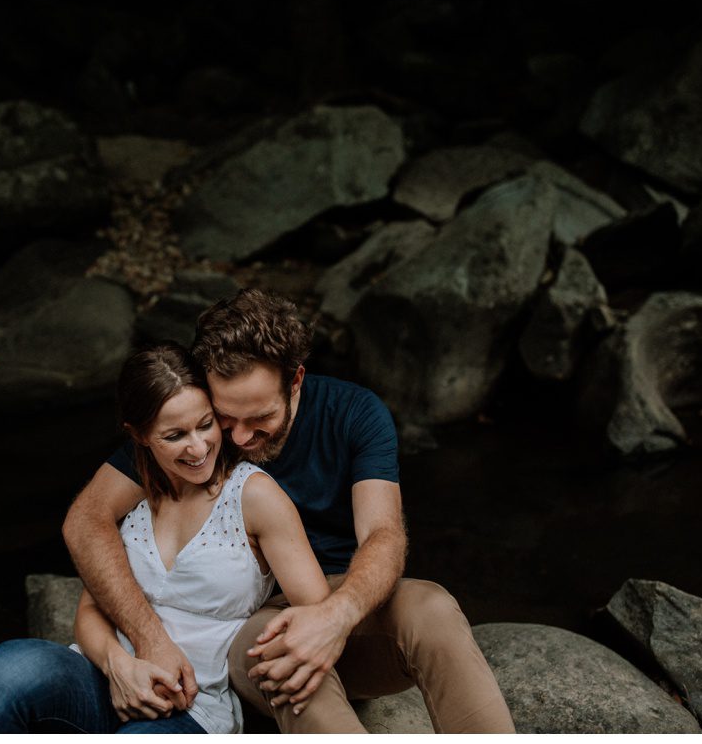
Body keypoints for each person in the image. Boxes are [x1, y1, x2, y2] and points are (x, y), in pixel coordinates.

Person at [63, 289, 516, 733]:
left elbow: (384, 534)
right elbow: (86, 519)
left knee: (433, 607)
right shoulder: (195, 434)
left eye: (259, 417)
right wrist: (147, 639)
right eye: (225, 417)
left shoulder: (355, 414)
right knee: (282, 655)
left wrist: (335, 617)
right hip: (250, 621)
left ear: (295, 380)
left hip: (346, 602)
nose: (237, 438)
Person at [0, 342, 331, 734]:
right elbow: (91, 608)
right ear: (140, 435)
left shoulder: (254, 496)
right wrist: (120, 666)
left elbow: (318, 610)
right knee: (7, 667)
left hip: (190, 707)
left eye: (205, 424)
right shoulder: (133, 494)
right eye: (175, 435)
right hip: (103, 679)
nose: (198, 448)